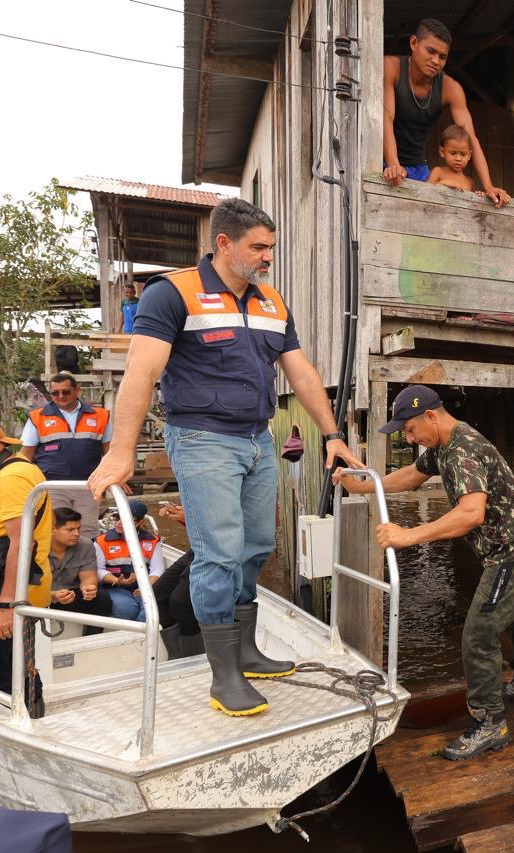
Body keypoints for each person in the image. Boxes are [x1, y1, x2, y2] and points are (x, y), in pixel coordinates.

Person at [87, 197, 363, 717]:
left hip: (257, 438)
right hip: (200, 438)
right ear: (223, 243)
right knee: (218, 551)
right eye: (258, 247)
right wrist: (122, 451)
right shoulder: (173, 293)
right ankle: (224, 675)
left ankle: (249, 650)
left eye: (271, 247)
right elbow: (141, 374)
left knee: (256, 545)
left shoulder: (271, 302)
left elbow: (301, 373)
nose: (268, 257)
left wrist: (333, 434)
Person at [335, 385, 514, 761]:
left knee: (479, 633)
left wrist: (409, 536)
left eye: (411, 429)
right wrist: (365, 486)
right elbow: (412, 475)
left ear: (431, 416)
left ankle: (490, 724)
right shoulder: (443, 446)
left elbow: (471, 514)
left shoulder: (463, 450)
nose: (409, 437)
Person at [381, 18, 510, 206]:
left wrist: (489, 186)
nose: (435, 61)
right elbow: (386, 118)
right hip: (384, 160)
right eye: (430, 51)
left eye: (442, 57)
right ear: (414, 43)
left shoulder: (451, 88)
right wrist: (393, 163)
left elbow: (471, 138)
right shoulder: (391, 67)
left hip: (418, 167)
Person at [0, 418, 50, 712]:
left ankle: (27, 733)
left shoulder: (9, 478)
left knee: (5, 682)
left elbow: (22, 542)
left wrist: (6, 607)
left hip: (1, 600)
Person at [20, 374, 111, 542]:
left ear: (77, 390)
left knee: (87, 532)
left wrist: (116, 478)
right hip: (52, 485)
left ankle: (86, 567)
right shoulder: (37, 417)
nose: (60, 396)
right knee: (56, 530)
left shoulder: (101, 415)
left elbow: (110, 452)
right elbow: (26, 455)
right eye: (55, 393)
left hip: (89, 485)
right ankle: (56, 567)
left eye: (66, 392)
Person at [94, 500, 165, 622]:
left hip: (144, 587)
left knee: (152, 610)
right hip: (113, 587)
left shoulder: (152, 541)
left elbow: (157, 570)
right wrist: (118, 581)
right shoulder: (101, 541)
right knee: (127, 610)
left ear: (140, 523)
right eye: (117, 518)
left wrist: (146, 587)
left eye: (127, 519)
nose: (119, 523)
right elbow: (99, 570)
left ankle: (139, 636)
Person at [47, 507, 112, 635]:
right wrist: (53, 595)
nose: (76, 533)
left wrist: (88, 589)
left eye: (78, 528)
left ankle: (92, 640)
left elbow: (89, 577)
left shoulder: (85, 545)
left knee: (101, 598)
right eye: (70, 530)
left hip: (71, 595)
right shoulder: (34, 547)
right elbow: (28, 587)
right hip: (41, 599)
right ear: (52, 529)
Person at [153, 502, 202, 660]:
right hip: (197, 550)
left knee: (181, 603)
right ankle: (176, 652)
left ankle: (194, 656)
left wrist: (189, 517)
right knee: (157, 594)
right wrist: (181, 513)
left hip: (216, 550)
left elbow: (222, 523)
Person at [428, 125, 477, 192]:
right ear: (442, 152)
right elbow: (426, 192)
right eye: (453, 153)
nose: (458, 159)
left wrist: (479, 197)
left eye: (463, 154)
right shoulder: (438, 172)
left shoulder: (469, 182)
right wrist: (442, 184)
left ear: (469, 155)